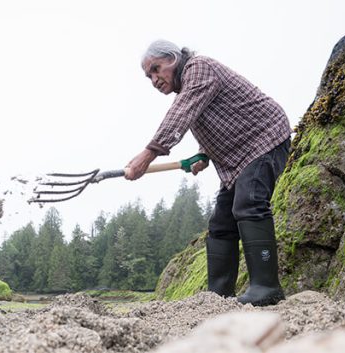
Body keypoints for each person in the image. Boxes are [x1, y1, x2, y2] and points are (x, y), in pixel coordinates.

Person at [124, 40, 292, 306]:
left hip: (265, 139)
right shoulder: (188, 85)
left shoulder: (199, 68)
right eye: (149, 76)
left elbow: (181, 115)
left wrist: (148, 154)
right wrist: (203, 153)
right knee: (221, 225)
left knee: (249, 204)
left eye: (156, 69)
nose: (154, 79)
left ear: (173, 59)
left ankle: (266, 287)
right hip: (237, 158)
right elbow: (212, 116)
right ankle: (218, 296)